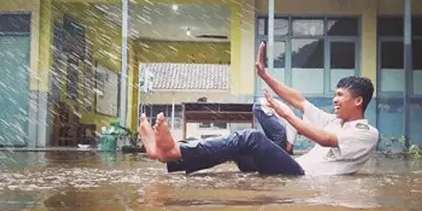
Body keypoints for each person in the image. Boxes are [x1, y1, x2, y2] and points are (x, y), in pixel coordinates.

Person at [139, 42, 379, 176]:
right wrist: (265, 76)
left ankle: (173, 151)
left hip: (302, 175)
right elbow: (299, 100)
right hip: (291, 164)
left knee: (252, 138)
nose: (335, 100)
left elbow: (325, 140)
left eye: (340, 95)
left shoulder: (366, 132)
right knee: (236, 145)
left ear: (357, 101)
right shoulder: (335, 121)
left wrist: (287, 116)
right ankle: (167, 156)